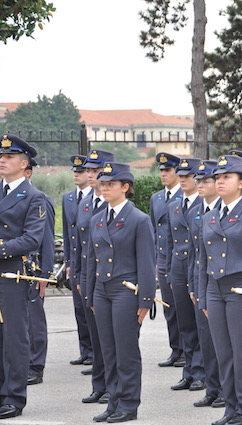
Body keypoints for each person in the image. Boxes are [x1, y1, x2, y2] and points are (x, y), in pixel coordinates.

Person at [197, 154, 242, 425]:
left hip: (241, 289)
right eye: (217, 177)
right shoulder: (210, 216)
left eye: (226, 177)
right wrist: (203, 296)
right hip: (215, 289)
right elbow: (202, 260)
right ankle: (230, 408)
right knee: (223, 353)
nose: (220, 181)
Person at [86, 162, 155, 423]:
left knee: (126, 350)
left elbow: (146, 262)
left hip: (126, 290)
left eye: (110, 184)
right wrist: (91, 294)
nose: (104, 188)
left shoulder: (138, 219)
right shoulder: (96, 219)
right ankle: (113, 401)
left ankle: (128, 404)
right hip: (102, 290)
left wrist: (146, 299)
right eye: (102, 184)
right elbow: (91, 260)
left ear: (125, 187)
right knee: (108, 350)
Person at [0, 134, 47, 419]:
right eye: (1, 156)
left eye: (9, 156)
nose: (2, 160)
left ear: (23, 163)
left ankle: (13, 397)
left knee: (15, 338)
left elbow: (32, 239)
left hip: (12, 274)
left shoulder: (33, 196)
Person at [75, 150, 113, 404]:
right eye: (88, 170)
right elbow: (80, 244)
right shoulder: (85, 203)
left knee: (109, 338)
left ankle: (112, 385)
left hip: (108, 277)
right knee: (95, 335)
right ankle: (99, 385)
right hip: (88, 276)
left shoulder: (113, 203)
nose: (90, 175)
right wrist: (79, 275)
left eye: (95, 170)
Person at [166, 158, 206, 392]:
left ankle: (201, 371)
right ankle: (189, 370)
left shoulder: (204, 204)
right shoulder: (173, 205)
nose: (182, 180)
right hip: (178, 268)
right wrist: (169, 272)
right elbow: (169, 242)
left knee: (200, 323)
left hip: (197, 267)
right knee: (185, 323)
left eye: (187, 176)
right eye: (180, 176)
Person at [189, 160, 224, 409]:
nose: (200, 185)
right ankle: (212, 388)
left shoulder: (227, 210)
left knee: (222, 342)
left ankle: (225, 389)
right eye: (198, 181)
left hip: (224, 284)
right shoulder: (195, 212)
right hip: (203, 283)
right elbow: (196, 255)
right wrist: (194, 286)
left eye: (205, 181)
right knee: (206, 339)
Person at [150, 152, 184, 368]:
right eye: (161, 170)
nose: (163, 174)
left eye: (168, 170)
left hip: (179, 256)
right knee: (169, 307)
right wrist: (155, 259)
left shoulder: (185, 195)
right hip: (163, 257)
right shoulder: (156, 198)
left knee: (183, 307)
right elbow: (155, 231)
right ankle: (176, 349)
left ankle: (188, 350)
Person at [26, 158, 55, 386]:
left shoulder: (40, 199)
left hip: (32, 269)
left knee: (33, 320)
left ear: (27, 172)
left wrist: (45, 273)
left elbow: (47, 239)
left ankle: (36, 366)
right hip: (10, 269)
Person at [63, 154, 93, 367]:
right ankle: (85, 350)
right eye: (75, 171)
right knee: (79, 308)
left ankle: (95, 352)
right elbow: (67, 233)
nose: (77, 174)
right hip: (75, 260)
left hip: (90, 260)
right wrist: (68, 261)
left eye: (81, 171)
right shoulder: (68, 198)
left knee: (91, 308)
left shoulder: (97, 197)